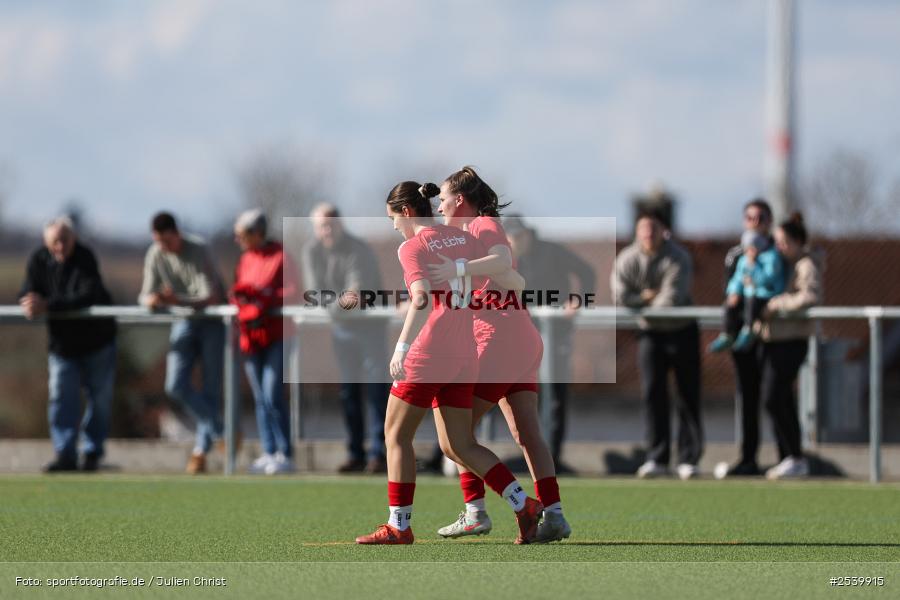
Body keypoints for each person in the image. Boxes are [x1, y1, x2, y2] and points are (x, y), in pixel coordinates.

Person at [355, 181, 543, 545]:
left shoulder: (412, 246)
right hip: (465, 355)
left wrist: (402, 347)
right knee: (460, 443)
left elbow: (421, 298)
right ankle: (523, 505)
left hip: (428, 354)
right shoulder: (464, 239)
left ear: (406, 212)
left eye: (393, 218)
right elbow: (515, 280)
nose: (393, 226)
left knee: (395, 436)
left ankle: (399, 525)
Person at [426, 167, 571, 543]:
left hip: (500, 340)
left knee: (455, 436)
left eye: (443, 198)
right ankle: (554, 515)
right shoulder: (463, 234)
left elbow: (503, 261)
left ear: (460, 200)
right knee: (527, 433)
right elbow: (510, 279)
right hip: (518, 339)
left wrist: (455, 268)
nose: (439, 205)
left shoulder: (481, 224)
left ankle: (478, 512)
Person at [18, 217, 117, 472]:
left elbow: (87, 294)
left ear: (74, 239)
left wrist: (48, 305)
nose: (60, 247)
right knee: (61, 398)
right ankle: (65, 455)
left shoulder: (85, 258)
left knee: (100, 399)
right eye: (55, 242)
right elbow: (27, 289)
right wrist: (29, 301)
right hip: (62, 346)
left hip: (97, 341)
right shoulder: (38, 260)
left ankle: (92, 453)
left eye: (65, 241)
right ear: (46, 242)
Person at [611, 210, 703, 480]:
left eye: (653, 230)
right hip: (649, 333)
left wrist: (640, 300)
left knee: (687, 395)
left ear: (663, 231)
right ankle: (657, 457)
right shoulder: (627, 259)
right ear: (637, 233)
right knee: (653, 395)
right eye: (644, 231)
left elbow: (672, 298)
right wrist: (647, 297)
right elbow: (619, 295)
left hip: (682, 331)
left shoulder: (679, 257)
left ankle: (689, 458)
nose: (648, 236)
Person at [504, 213, 596, 472]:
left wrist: (581, 299)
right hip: (521, 334)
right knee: (523, 392)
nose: (514, 242)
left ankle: (551, 455)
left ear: (527, 234)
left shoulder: (552, 252)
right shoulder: (507, 259)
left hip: (554, 332)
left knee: (553, 390)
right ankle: (532, 453)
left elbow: (586, 271)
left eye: (517, 236)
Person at [303, 203, 389, 474]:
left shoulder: (358, 248)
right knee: (348, 392)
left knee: (377, 393)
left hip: (371, 327)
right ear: (315, 229)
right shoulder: (311, 251)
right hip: (342, 328)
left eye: (331, 224)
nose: (327, 230)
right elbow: (314, 292)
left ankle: (380, 453)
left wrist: (335, 303)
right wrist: (339, 304)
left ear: (340, 223)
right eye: (321, 226)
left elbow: (358, 293)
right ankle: (355, 454)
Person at [139, 212, 226, 475]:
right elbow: (145, 293)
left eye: (167, 241)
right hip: (184, 321)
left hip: (211, 321)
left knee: (210, 389)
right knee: (175, 385)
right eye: (158, 242)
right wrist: (152, 301)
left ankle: (200, 452)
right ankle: (221, 430)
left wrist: (175, 300)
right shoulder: (155, 253)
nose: (163, 247)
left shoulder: (198, 249)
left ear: (177, 234)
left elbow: (208, 296)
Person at [231, 209, 299, 475]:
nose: (238, 240)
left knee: (272, 392)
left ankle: (285, 452)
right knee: (260, 395)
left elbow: (294, 291)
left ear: (256, 233)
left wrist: (265, 296)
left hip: (278, 334)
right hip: (252, 336)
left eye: (242, 235)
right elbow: (238, 291)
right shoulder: (245, 259)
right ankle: (269, 451)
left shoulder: (282, 256)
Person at [756, 213, 822, 479]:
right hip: (773, 339)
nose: (779, 246)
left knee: (773, 397)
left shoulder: (806, 265)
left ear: (797, 241)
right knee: (779, 399)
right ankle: (788, 456)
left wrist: (776, 304)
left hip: (792, 340)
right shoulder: (779, 264)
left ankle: (795, 455)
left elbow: (809, 296)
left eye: (784, 242)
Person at [716, 199, 775, 477]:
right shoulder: (735, 253)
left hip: (771, 333)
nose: (755, 222)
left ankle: (788, 456)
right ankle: (749, 457)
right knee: (748, 397)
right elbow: (730, 289)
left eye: (760, 217)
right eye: (750, 217)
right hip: (743, 335)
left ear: (768, 221)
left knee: (776, 396)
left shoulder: (776, 249)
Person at [708, 231, 785, 353]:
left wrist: (754, 266)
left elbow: (767, 279)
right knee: (729, 306)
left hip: (766, 294)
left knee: (752, 302)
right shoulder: (744, 259)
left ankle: (748, 330)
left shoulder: (771, 257)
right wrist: (734, 292)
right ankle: (726, 334)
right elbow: (738, 278)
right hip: (749, 294)